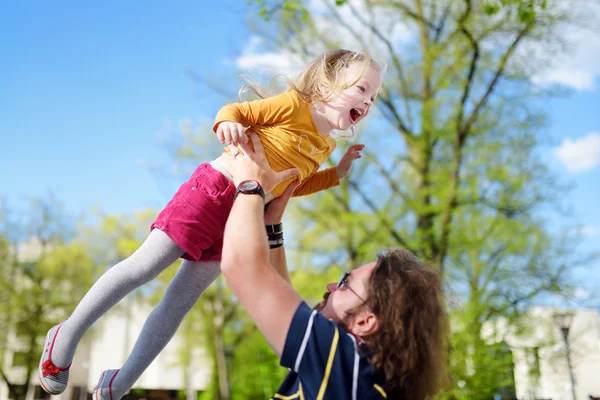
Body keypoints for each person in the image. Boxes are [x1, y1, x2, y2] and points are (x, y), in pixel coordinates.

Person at [38, 49, 383, 398]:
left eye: (373, 95)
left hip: (241, 218)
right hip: (215, 191)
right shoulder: (294, 106)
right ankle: (64, 337)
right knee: (144, 267)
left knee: (179, 303)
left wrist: (335, 174)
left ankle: (121, 381)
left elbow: (294, 184)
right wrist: (227, 123)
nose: (368, 101)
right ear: (325, 85)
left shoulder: (323, 145)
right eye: (361, 89)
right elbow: (237, 112)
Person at [220, 131, 448, 399]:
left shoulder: (346, 364)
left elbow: (241, 265)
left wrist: (250, 183)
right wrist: (271, 226)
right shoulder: (363, 379)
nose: (331, 285)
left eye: (345, 284)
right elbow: (282, 307)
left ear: (366, 321)